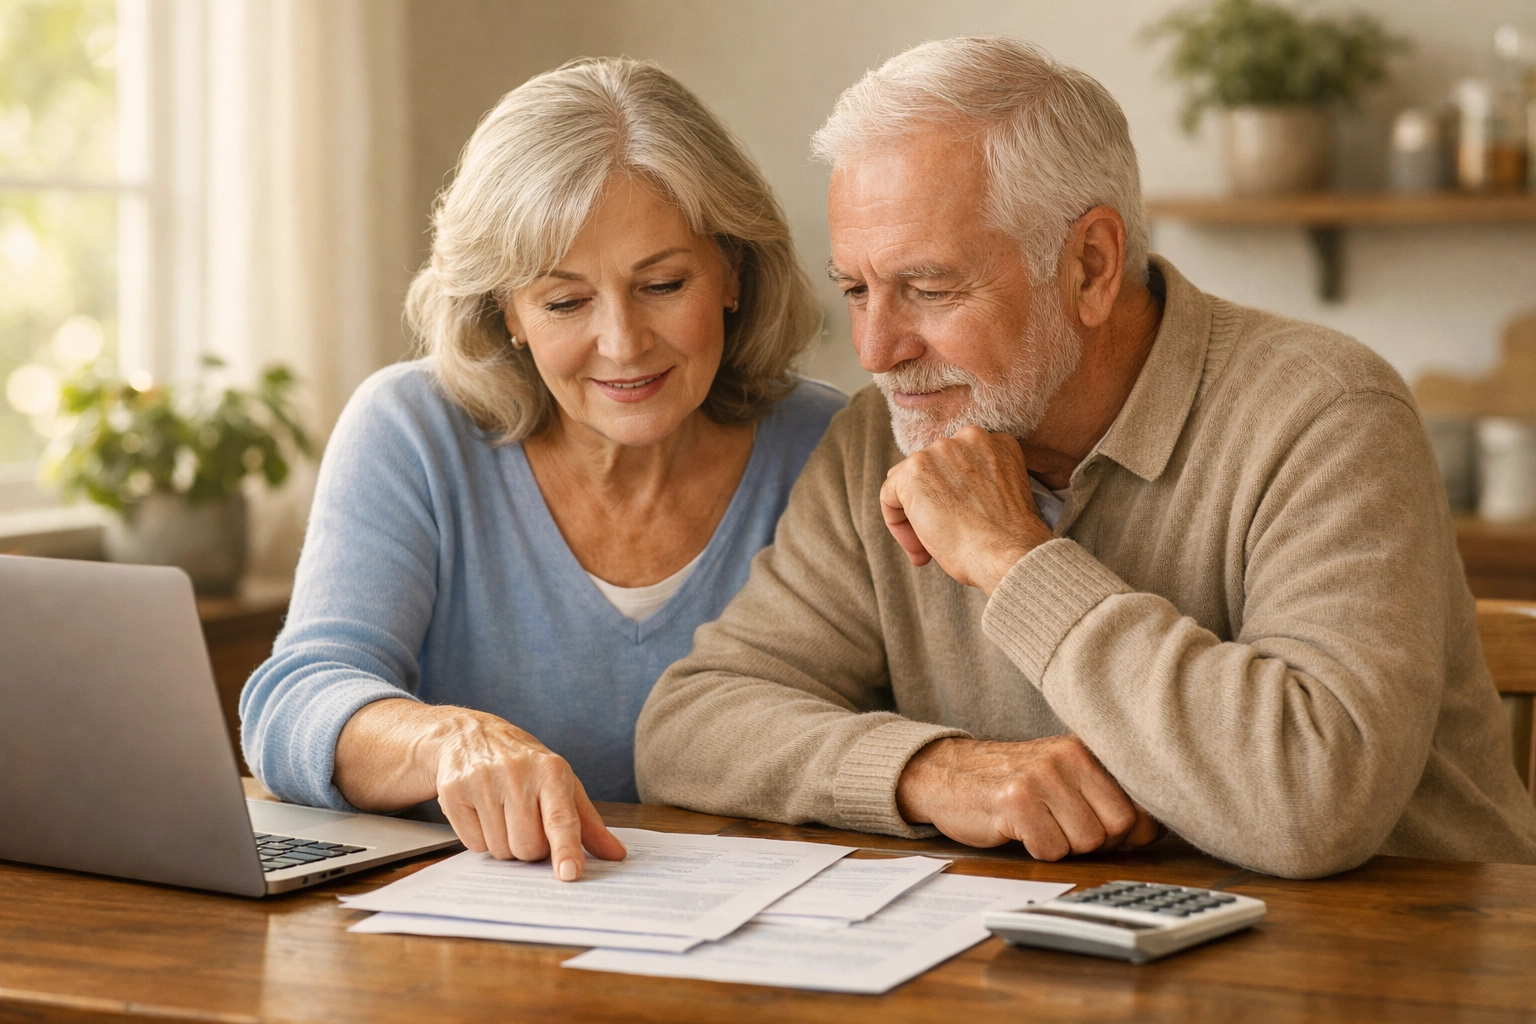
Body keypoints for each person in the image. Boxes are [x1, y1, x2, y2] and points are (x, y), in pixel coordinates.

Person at [633, 37, 1536, 879]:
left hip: (1405, 954)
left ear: (1092, 267)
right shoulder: (884, 435)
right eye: (858, 290)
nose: (876, 350)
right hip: (1066, 951)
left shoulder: (1327, 413)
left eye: (929, 287)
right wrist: (935, 773)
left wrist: (1013, 558)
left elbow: (1314, 801)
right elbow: (690, 728)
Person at [240, 58, 843, 882]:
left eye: (663, 284)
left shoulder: (827, 445)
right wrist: (448, 742)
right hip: (474, 926)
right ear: (507, 312)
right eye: (565, 302)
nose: (623, 343)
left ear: (733, 271)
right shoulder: (411, 430)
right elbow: (294, 702)